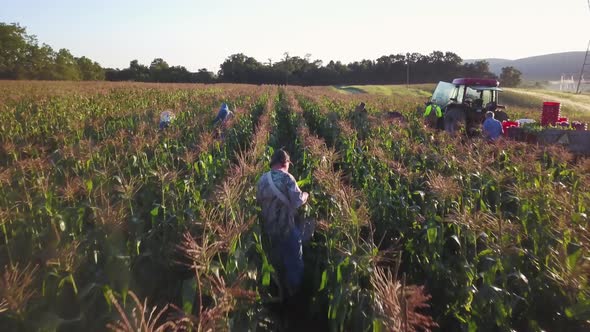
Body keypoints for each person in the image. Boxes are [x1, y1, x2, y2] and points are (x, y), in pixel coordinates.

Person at [256, 149, 309, 296]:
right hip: (287, 227)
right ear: (284, 163)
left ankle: (278, 290)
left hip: (269, 229)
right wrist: (305, 195)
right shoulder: (287, 178)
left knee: (276, 260)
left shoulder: (261, 180)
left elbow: (258, 202)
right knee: (294, 259)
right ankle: (295, 293)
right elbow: (297, 202)